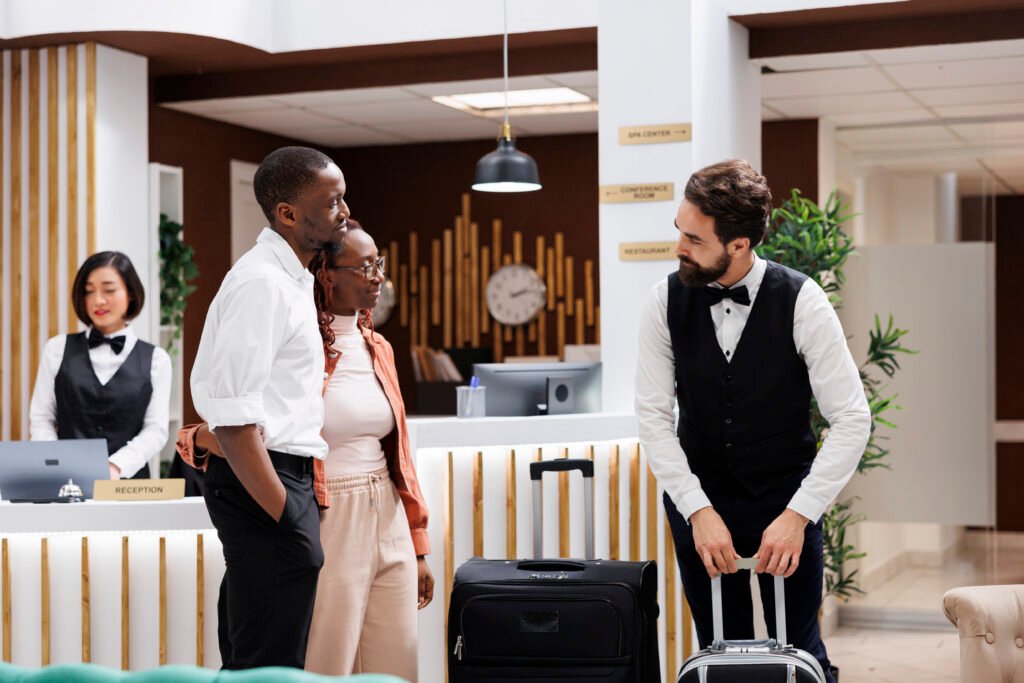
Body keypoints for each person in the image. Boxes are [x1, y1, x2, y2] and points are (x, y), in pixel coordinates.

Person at [635, 159, 871, 682]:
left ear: (739, 243)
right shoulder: (663, 301)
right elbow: (653, 417)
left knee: (801, 648)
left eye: (694, 239)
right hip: (699, 500)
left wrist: (799, 514)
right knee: (721, 647)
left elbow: (852, 418)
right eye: (680, 231)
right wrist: (697, 510)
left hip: (787, 498)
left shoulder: (802, 300)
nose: (679, 247)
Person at [178, 221, 433, 680]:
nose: (378, 276)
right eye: (365, 266)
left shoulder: (379, 348)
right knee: (325, 661)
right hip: (326, 505)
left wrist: (416, 543)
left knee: (397, 662)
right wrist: (197, 442)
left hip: (387, 510)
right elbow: (236, 424)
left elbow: (401, 455)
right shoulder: (300, 345)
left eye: (380, 264)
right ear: (326, 274)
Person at [189, 146, 349, 670]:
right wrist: (286, 516)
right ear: (287, 213)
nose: (344, 212)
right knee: (266, 663)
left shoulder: (290, 278)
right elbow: (233, 418)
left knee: (260, 653)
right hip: (261, 476)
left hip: (279, 475)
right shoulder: (262, 282)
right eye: (332, 203)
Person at [29, 251, 171, 480]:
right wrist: (57, 463)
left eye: (109, 290)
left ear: (131, 294)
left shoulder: (157, 360)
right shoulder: (56, 349)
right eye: (89, 291)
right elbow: (42, 418)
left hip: (130, 487)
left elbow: (156, 430)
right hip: (66, 483)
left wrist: (115, 466)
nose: (98, 300)